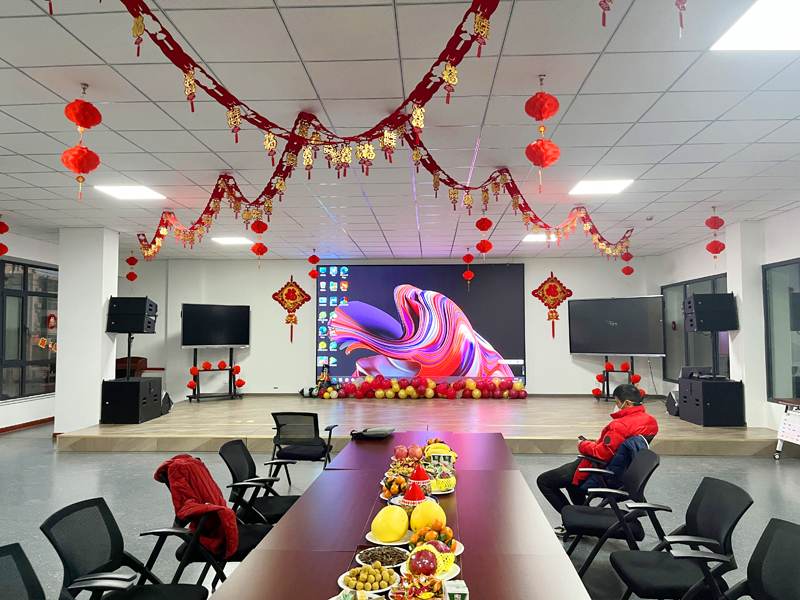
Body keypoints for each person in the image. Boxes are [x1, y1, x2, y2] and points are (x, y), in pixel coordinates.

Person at [536, 384, 659, 529]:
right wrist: (598, 443)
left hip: (601, 472)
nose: (616, 406)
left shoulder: (619, 425)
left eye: (617, 402)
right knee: (571, 484)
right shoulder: (651, 421)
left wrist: (583, 444)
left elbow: (601, 454)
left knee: (544, 481)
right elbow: (616, 448)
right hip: (621, 472)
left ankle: (574, 521)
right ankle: (583, 522)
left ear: (627, 403)